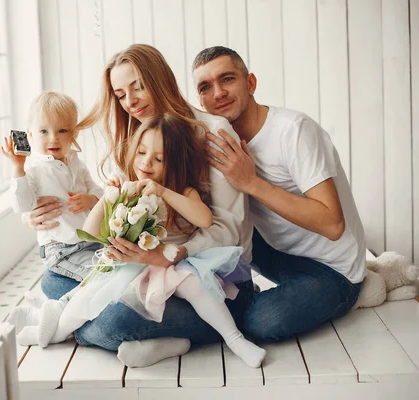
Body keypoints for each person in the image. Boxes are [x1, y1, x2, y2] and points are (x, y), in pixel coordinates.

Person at [20, 44, 256, 368]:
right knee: (54, 279)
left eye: (138, 86)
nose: (129, 101)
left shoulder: (212, 132)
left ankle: (77, 327)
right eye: (120, 94)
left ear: (160, 80)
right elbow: (115, 207)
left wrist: (171, 255)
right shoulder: (138, 138)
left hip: (208, 279)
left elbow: (228, 227)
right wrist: (40, 212)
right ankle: (155, 339)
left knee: (113, 320)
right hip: (150, 273)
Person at [191, 46, 365, 341]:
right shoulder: (217, 139)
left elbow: (333, 225)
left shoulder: (294, 130)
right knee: (209, 243)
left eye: (227, 79)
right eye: (206, 87)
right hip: (275, 252)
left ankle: (358, 289)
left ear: (251, 83)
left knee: (262, 322)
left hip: (332, 269)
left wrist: (251, 182)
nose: (218, 93)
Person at [0, 92, 103, 332]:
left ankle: (49, 306)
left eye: (62, 131)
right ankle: (51, 314)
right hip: (61, 247)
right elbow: (22, 204)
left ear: (74, 133)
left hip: (89, 242)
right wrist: (18, 168)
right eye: (44, 131)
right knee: (98, 279)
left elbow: (99, 193)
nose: (53, 139)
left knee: (112, 269)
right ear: (31, 134)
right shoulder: (33, 167)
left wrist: (89, 199)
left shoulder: (76, 162)